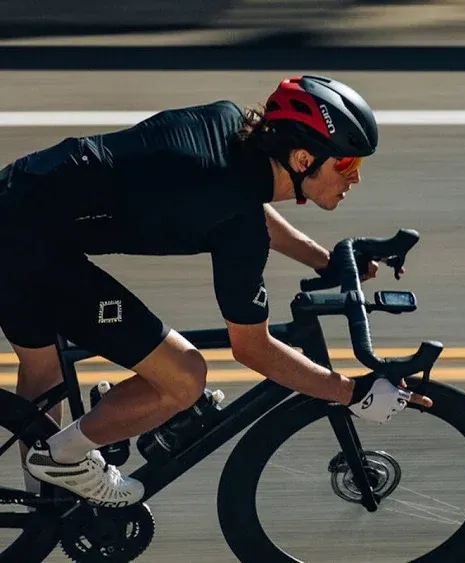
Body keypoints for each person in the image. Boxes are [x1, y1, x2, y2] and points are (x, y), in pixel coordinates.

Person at [0, 74, 432, 508]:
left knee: (42, 372)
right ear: (302, 159)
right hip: (28, 248)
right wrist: (352, 393)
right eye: (347, 165)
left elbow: (241, 201)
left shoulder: (229, 126)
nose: (354, 179)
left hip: (15, 198)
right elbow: (252, 349)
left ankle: (42, 514)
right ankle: (61, 460)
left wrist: (326, 261)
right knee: (184, 378)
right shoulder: (235, 220)